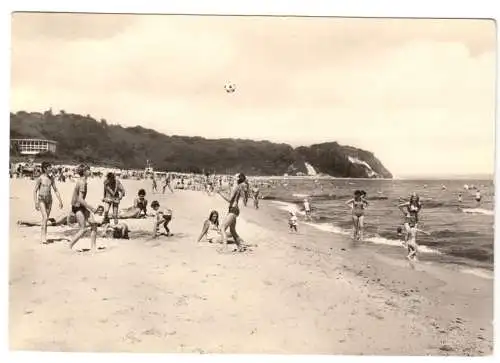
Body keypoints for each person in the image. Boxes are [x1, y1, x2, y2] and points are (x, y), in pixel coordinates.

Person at [68, 164, 99, 253]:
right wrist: (91, 208)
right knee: (83, 229)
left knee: (94, 224)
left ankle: (93, 248)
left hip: (79, 206)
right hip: (78, 207)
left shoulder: (82, 181)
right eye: (88, 170)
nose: (90, 171)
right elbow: (80, 199)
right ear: (84, 172)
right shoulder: (82, 182)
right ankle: (69, 246)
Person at [33, 161, 64, 244]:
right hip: (41, 199)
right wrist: (35, 202)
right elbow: (35, 191)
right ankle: (43, 238)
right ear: (44, 169)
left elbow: (55, 190)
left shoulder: (51, 178)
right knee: (45, 217)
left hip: (49, 200)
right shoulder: (40, 178)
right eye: (49, 167)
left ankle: (44, 236)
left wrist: (60, 200)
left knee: (45, 219)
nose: (51, 169)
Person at [217, 173, 247, 253]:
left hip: (233, 209)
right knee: (232, 230)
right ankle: (240, 246)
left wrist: (220, 193)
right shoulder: (237, 186)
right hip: (234, 209)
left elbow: (230, 199)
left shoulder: (235, 186)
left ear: (237, 178)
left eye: (235, 175)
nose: (234, 175)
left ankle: (225, 248)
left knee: (222, 228)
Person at [398, 192, 422, 261]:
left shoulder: (419, 204)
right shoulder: (408, 203)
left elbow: (418, 212)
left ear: (417, 197)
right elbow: (399, 206)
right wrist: (404, 213)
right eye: (413, 197)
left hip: (415, 220)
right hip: (408, 220)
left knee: (413, 237)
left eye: (415, 197)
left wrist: (416, 218)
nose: (414, 198)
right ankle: (410, 253)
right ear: (411, 198)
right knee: (408, 234)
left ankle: (413, 255)